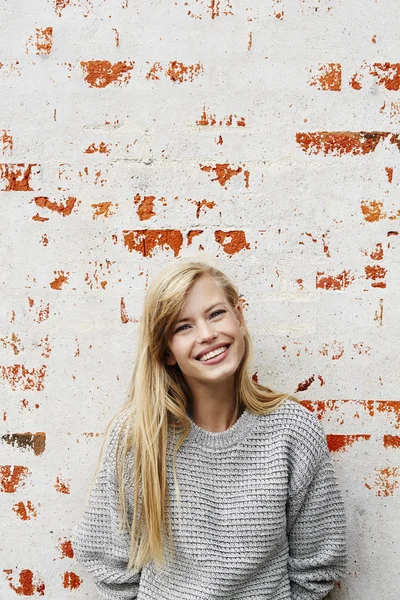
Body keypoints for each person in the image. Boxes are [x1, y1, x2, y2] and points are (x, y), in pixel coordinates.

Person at [72, 259, 348, 600]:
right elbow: (107, 561)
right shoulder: (139, 436)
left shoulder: (293, 432)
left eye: (215, 314)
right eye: (183, 327)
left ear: (240, 318)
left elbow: (317, 567)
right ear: (167, 352)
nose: (206, 334)